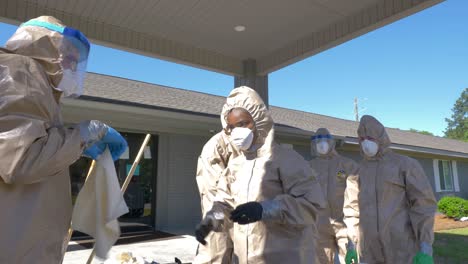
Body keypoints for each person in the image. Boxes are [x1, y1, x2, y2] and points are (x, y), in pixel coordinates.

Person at [0, 16, 127, 263]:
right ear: (44, 46)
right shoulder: (21, 71)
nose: (71, 64)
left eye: (75, 59)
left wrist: (73, 142)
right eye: (67, 53)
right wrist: (83, 134)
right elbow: (22, 159)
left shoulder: (37, 83)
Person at [195, 86, 325, 264]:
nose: (236, 132)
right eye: (231, 127)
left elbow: (311, 205)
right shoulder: (234, 167)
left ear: (259, 120)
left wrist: (266, 209)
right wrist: (211, 220)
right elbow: (224, 205)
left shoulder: (286, 160)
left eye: (242, 124)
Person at [343, 115, 437, 264]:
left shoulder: (405, 165)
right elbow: (351, 211)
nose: (365, 143)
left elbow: (423, 206)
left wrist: (425, 246)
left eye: (370, 137)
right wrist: (352, 245)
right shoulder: (357, 173)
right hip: (369, 251)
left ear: (381, 137)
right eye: (361, 139)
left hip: (402, 249)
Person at [309, 128, 358, 264]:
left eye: (325, 141)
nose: (322, 145)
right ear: (313, 145)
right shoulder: (309, 167)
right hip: (320, 223)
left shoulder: (346, 165)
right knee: (321, 258)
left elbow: (358, 192)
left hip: (344, 221)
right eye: (318, 142)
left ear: (331, 143)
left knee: (350, 258)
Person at [193, 132, 238, 264]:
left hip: (252, 226)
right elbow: (219, 198)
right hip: (223, 223)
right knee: (216, 253)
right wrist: (214, 218)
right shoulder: (218, 146)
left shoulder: (264, 147)